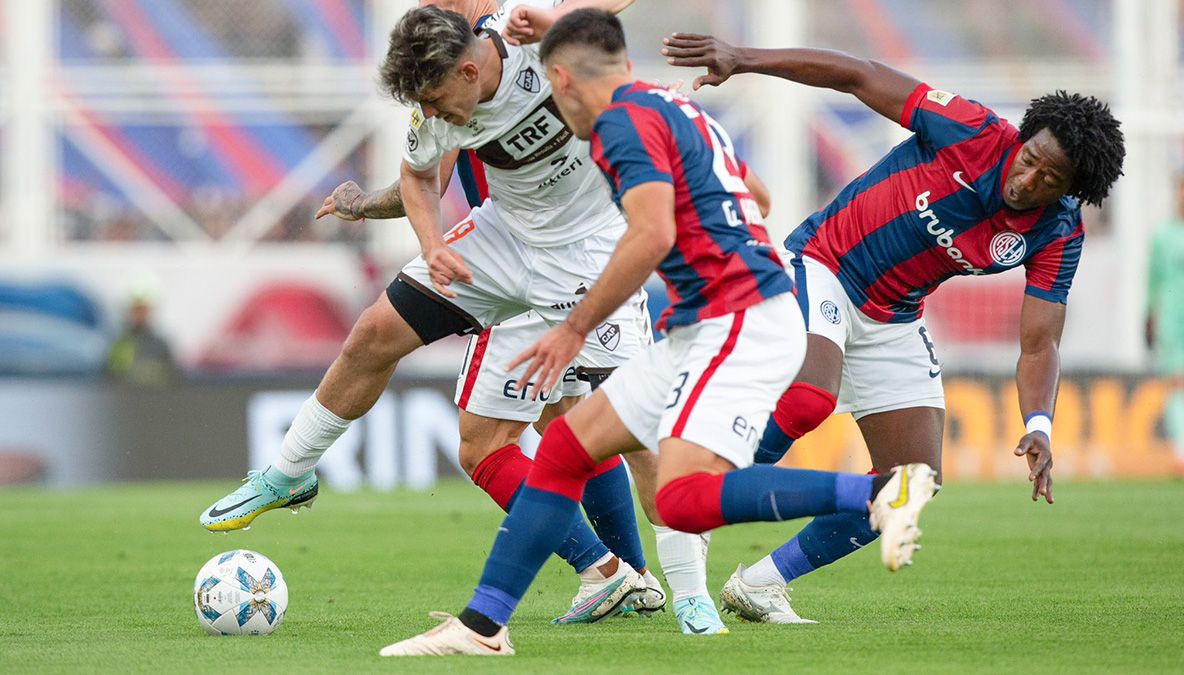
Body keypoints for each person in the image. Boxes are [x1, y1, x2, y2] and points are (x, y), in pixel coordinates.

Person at [377, 9, 938, 657]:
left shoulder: (620, 124)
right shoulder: (670, 107)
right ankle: (483, 627)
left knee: (682, 497)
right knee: (564, 450)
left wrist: (572, 331)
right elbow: (755, 196)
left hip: (740, 319)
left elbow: (652, 235)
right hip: (714, 316)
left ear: (560, 79)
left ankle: (878, 492)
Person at [199, 0, 670, 625]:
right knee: (376, 333)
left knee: (612, 430)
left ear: (472, 64)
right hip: (502, 242)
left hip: (590, 254)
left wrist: (555, 19)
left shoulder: (531, 34)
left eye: (440, 100)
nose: (436, 112)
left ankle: (674, 589)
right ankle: (289, 472)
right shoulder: (441, 87)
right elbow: (421, 178)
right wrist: (428, 244)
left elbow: (599, 30)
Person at [658, 33, 1126, 623]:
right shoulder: (972, 129)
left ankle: (761, 584)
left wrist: (1040, 425)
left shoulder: (1058, 233)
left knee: (914, 483)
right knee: (806, 400)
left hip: (894, 314)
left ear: (1072, 191)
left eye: (1050, 179)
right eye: (1030, 158)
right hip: (823, 263)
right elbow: (857, 74)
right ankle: (698, 499)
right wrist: (744, 59)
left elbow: (1040, 343)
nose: (1029, 179)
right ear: (1023, 135)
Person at [1146, 175, 1184, 481]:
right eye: (1182, 192)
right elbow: (1153, 281)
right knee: (1179, 383)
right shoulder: (1163, 236)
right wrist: (1149, 315)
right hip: (1176, 322)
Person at [107, 294, 176, 385]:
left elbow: (171, 374)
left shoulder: (160, 344)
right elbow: (111, 374)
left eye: (143, 310)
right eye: (137, 310)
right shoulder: (120, 343)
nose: (140, 314)